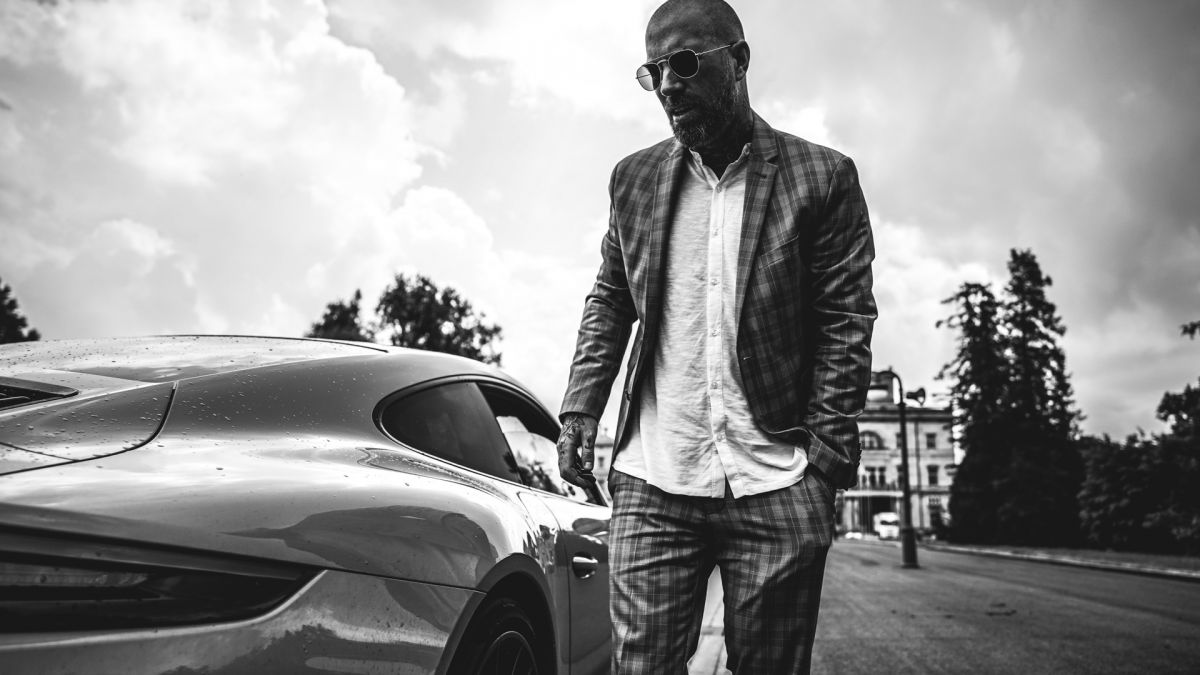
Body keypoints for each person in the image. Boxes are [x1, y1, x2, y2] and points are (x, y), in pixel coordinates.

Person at [557, 0, 876, 672]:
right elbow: (611, 297)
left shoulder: (822, 177)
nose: (668, 85)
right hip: (654, 476)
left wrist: (823, 463)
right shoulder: (633, 178)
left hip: (778, 475)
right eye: (653, 72)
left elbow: (844, 322)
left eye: (684, 63)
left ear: (739, 61)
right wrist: (581, 408)